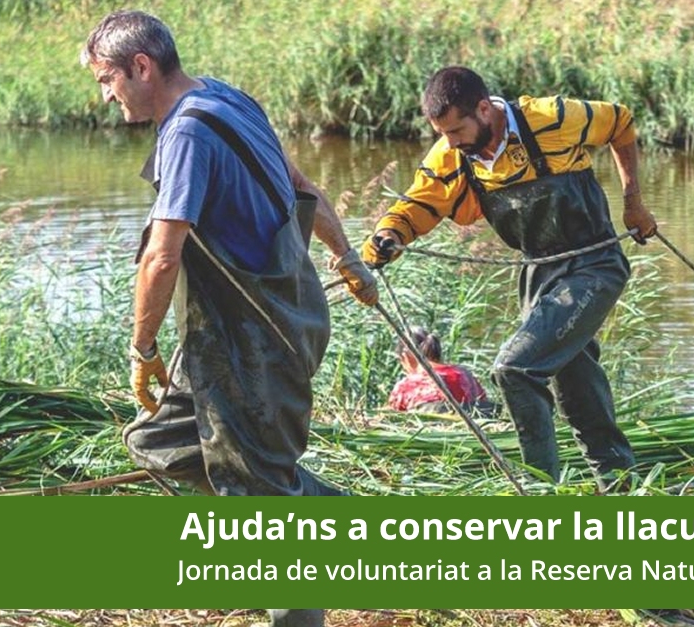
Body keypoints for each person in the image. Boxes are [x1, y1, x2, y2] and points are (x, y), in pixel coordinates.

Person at [82, 11, 375, 626]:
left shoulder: (188, 133)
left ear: (142, 67)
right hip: (244, 330)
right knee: (157, 441)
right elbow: (306, 188)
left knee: (259, 508)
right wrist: (345, 258)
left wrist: (142, 348)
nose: (105, 95)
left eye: (108, 79)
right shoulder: (227, 97)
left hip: (257, 340)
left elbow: (163, 256)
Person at [362, 67, 657, 490]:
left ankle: (534, 490)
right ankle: (620, 482)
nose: (450, 142)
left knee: (515, 368)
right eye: (441, 133)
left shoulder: (551, 117)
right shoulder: (453, 155)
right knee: (574, 381)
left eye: (457, 129)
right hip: (537, 271)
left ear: (484, 109)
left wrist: (634, 203)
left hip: (593, 264)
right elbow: (417, 204)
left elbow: (620, 121)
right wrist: (388, 235)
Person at [388, 327, 493, 415]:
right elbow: (484, 403)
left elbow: (391, 417)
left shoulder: (407, 385)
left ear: (405, 357)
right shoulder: (465, 375)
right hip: (473, 430)